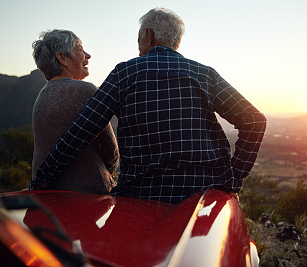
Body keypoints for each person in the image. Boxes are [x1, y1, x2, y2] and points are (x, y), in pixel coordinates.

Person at [30, 9, 266, 203]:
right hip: (204, 196)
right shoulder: (205, 74)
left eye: (139, 38)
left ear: (149, 36)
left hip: (141, 197)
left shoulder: (124, 74)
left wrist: (42, 179)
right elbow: (255, 121)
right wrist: (233, 179)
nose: (138, 45)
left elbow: (81, 132)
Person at [31, 29, 119, 194]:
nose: (88, 55)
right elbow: (112, 150)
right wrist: (107, 175)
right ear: (62, 58)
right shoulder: (85, 90)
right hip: (88, 196)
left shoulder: (41, 96)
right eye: (79, 49)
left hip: (46, 194)